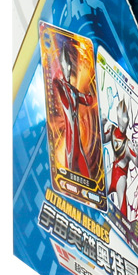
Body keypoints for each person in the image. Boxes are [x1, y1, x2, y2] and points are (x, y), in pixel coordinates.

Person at [52, 42, 97, 176]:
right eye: (64, 66)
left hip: (78, 144)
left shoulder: (73, 91)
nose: (67, 68)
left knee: (86, 175)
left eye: (68, 66)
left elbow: (88, 100)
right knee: (70, 176)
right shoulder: (62, 87)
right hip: (70, 145)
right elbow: (56, 83)